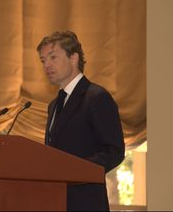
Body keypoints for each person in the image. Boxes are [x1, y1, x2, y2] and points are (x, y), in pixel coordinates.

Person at [37, 30, 125, 211]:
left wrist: (75, 170)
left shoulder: (97, 97)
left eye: (53, 57)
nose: (47, 65)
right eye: (43, 60)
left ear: (74, 58)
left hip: (86, 202)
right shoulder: (53, 105)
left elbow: (114, 151)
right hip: (57, 201)